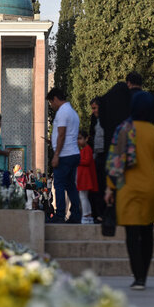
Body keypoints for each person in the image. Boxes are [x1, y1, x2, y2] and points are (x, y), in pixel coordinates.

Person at [104, 92, 154, 290]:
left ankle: (137, 277)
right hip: (150, 189)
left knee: (132, 234)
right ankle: (144, 277)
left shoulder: (122, 130)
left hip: (127, 189)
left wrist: (110, 187)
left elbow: (114, 161)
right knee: (147, 232)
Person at [47, 87, 81, 223]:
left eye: (51, 102)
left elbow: (61, 135)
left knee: (59, 185)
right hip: (73, 153)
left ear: (55, 99)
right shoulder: (72, 112)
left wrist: (56, 155)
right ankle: (76, 214)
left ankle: (60, 214)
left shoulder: (62, 112)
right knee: (71, 185)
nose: (52, 106)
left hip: (64, 155)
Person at [89, 98, 106, 223]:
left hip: (106, 155)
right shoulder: (94, 118)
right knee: (97, 187)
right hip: (97, 155)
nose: (94, 111)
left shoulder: (109, 118)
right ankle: (97, 213)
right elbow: (91, 134)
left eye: (95, 108)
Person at [76, 131, 98, 224]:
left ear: (86, 139)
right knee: (84, 196)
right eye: (78, 139)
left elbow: (87, 161)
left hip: (85, 176)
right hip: (84, 176)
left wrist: (77, 160)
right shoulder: (85, 149)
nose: (78, 141)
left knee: (83, 196)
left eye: (80, 138)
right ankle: (87, 215)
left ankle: (86, 215)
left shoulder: (87, 149)